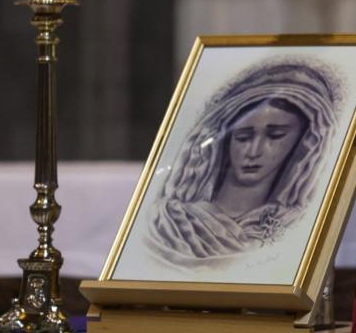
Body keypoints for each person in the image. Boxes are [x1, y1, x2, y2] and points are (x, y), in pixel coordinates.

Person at [146, 60, 341, 268]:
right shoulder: (169, 220)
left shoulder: (297, 224)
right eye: (243, 136)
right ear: (226, 140)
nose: (254, 151)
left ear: (304, 143)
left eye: (275, 136)